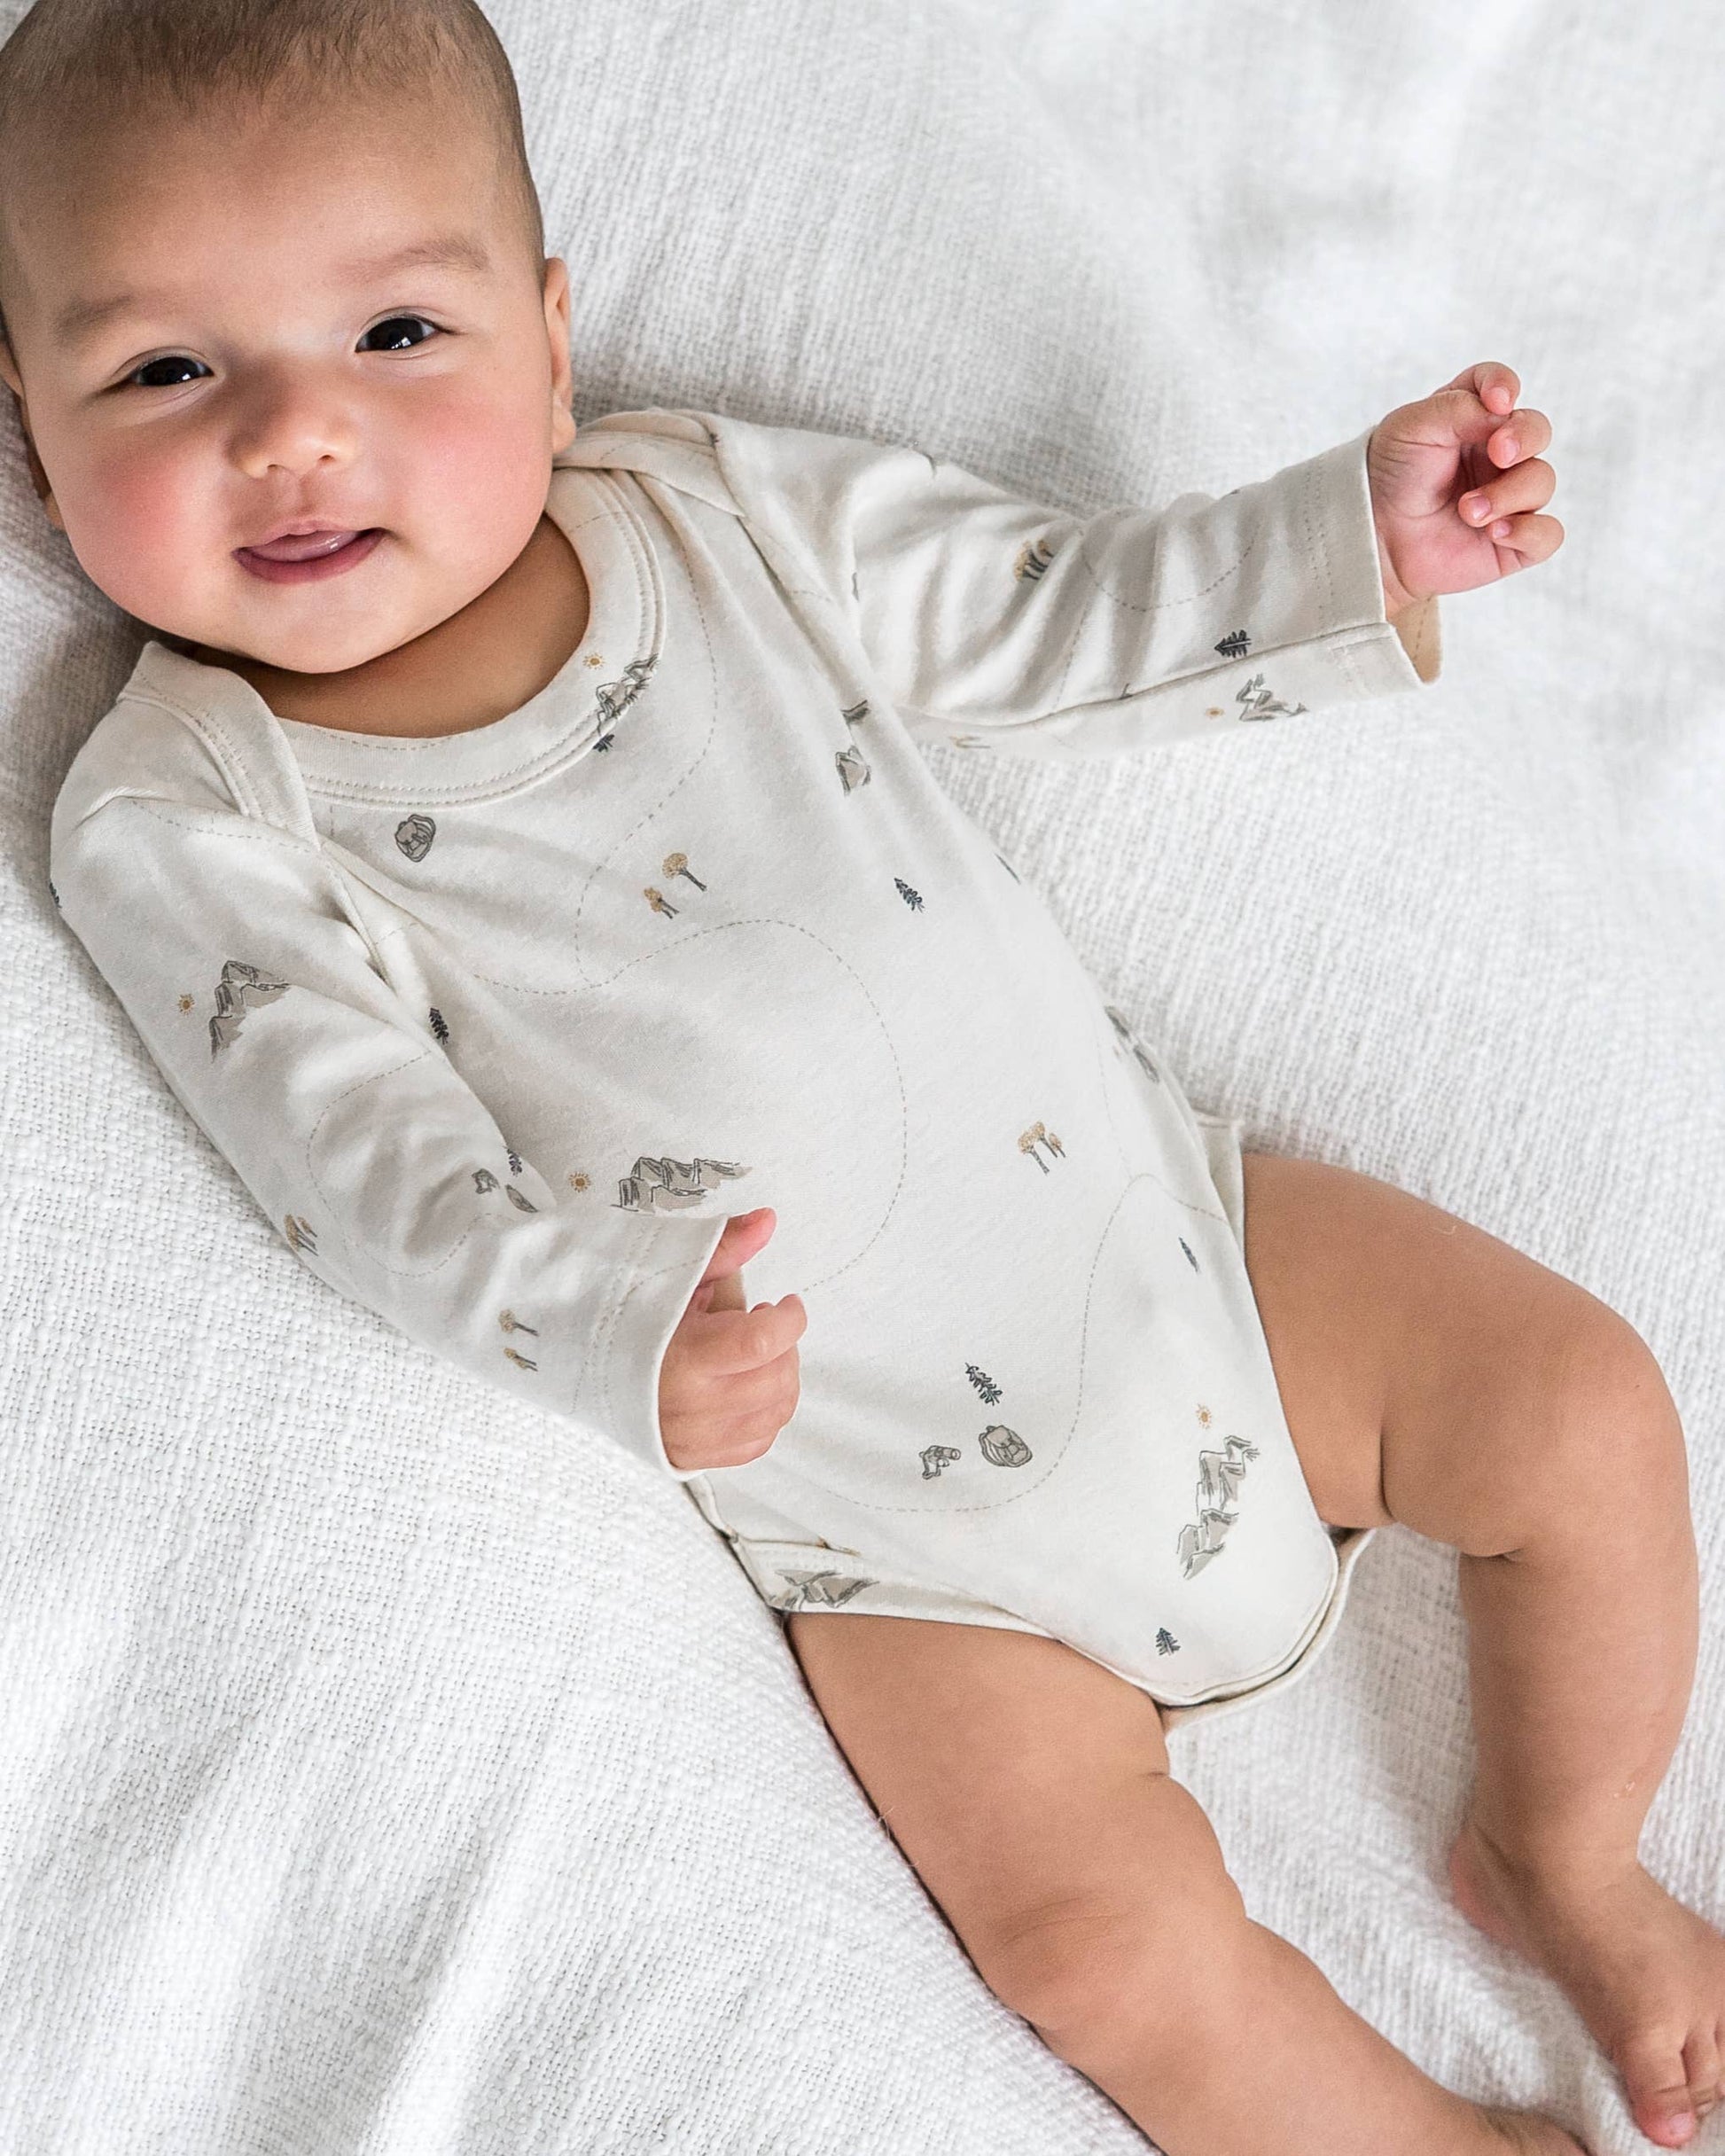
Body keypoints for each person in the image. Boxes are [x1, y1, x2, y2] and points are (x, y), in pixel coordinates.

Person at [7, 1, 1713, 2147]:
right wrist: (612, 1330)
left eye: (399, 332)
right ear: (26, 419)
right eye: (168, 370)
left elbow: (1039, 607)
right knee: (1096, 1948)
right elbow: (353, 1164)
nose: (295, 434)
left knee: (1578, 1406)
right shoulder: (192, 808)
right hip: (885, 1534)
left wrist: (1333, 545)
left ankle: (1564, 1857)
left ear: (548, 332)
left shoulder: (707, 512)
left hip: (1178, 1251)